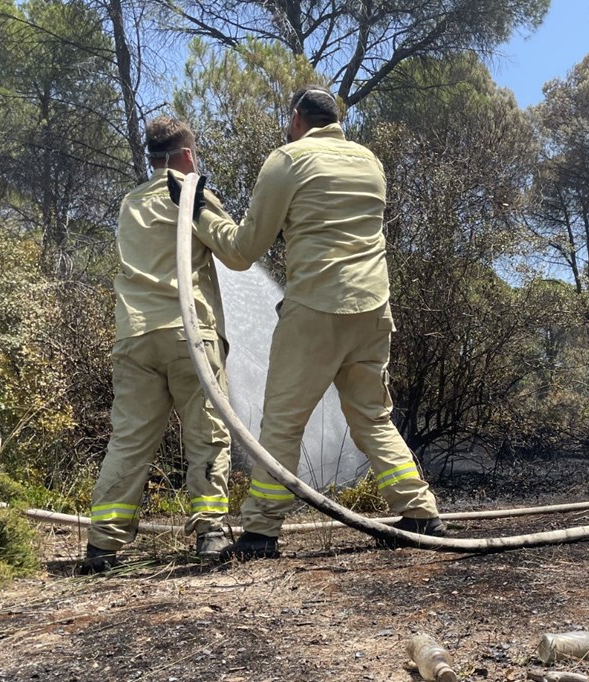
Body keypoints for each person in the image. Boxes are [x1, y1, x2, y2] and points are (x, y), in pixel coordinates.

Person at [172, 85, 445, 560]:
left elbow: (240, 251)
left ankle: (261, 531)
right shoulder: (369, 162)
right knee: (372, 418)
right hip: (374, 310)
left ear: (297, 117)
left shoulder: (289, 159)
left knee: (282, 421)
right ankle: (420, 512)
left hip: (316, 309)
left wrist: (200, 211)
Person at [80, 116, 249, 574]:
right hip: (188, 333)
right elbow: (236, 252)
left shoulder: (129, 204)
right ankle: (210, 535)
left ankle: (101, 547)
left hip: (134, 336)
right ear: (189, 156)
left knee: (130, 441)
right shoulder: (192, 195)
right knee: (206, 434)